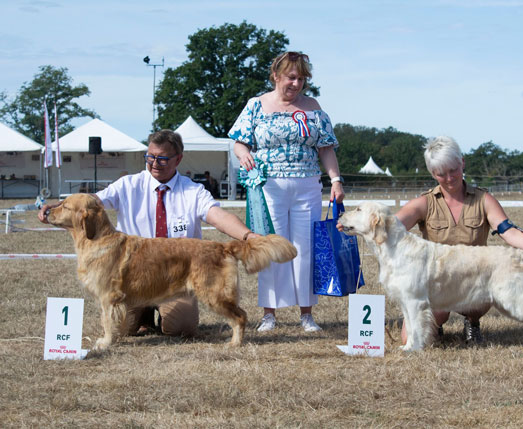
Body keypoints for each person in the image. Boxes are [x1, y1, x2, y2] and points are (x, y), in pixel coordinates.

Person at [39, 129, 260, 337]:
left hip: (175, 276)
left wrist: (247, 236)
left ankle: (161, 312)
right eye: (150, 157)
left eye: (162, 159)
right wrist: (57, 208)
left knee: (181, 327)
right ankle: (143, 315)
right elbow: (91, 202)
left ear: (178, 159)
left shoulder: (193, 191)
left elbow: (218, 216)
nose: (155, 164)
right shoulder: (128, 184)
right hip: (133, 280)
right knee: (122, 330)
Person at [394, 136, 523, 345]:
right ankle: (436, 326)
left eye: (453, 169)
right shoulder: (423, 203)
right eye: (441, 174)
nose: (449, 178)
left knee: (490, 295)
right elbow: (391, 227)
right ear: (432, 174)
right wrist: (358, 224)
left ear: (462, 163)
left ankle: (472, 323)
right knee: (406, 340)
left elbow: (508, 232)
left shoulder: (484, 200)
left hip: (474, 279)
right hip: (438, 284)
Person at [228, 51, 345, 332]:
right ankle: (269, 313)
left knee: (305, 249)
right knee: (271, 246)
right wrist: (243, 155)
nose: (296, 84)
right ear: (276, 76)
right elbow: (239, 142)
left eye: (301, 79)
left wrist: (336, 180)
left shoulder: (313, 107)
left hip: (307, 185)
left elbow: (325, 148)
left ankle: (307, 313)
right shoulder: (256, 105)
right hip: (269, 186)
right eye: (291, 77)